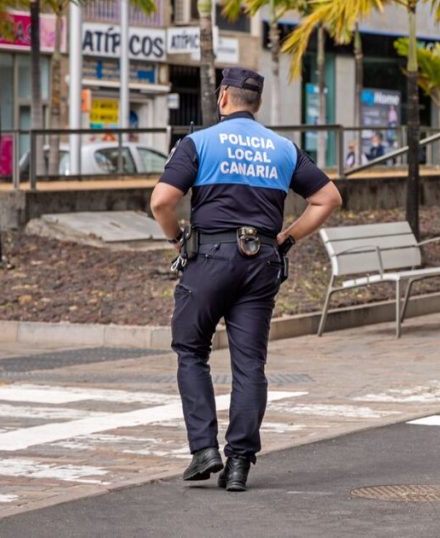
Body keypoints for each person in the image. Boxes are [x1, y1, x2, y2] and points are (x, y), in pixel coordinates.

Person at [149, 67, 342, 492]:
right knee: (250, 365)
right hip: (262, 262)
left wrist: (177, 239)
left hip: (209, 259)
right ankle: (239, 463)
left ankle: (204, 450)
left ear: (223, 98)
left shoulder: (199, 143)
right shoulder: (283, 148)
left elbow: (162, 201)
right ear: (257, 104)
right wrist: (287, 238)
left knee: (191, 350)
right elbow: (328, 198)